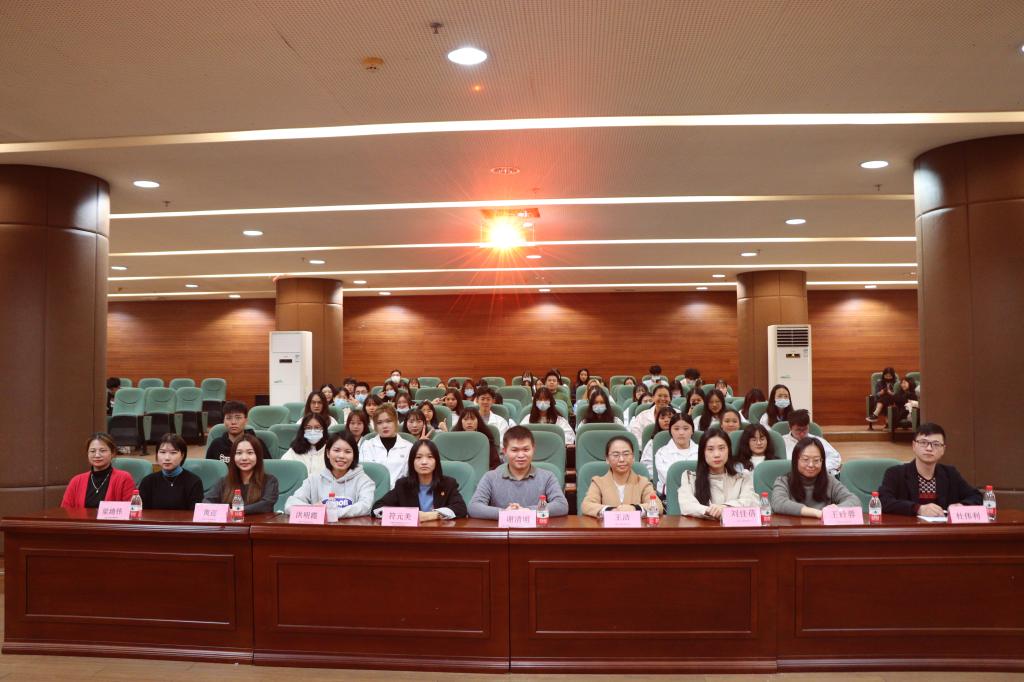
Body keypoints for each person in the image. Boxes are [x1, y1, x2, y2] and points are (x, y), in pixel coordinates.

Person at [878, 422, 982, 516]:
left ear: (943, 450)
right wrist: (918, 509)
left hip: (943, 528)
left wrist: (962, 505)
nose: (929, 448)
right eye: (923, 443)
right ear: (914, 446)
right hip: (909, 529)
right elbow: (883, 501)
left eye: (936, 444)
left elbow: (976, 496)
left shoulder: (950, 473)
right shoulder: (896, 473)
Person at [468, 426, 568, 519]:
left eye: (526, 449)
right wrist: (504, 513)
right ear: (505, 451)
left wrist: (528, 511)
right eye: (514, 450)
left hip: (536, 530)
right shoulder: (490, 477)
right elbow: (474, 507)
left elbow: (561, 505)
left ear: (533, 449)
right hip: (502, 531)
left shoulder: (547, 477)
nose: (521, 455)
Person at [284, 431, 375, 517]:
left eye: (347, 452)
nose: (341, 456)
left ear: (354, 455)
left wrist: (330, 512)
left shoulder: (364, 481)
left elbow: (365, 507)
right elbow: (290, 504)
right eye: (336, 450)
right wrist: (314, 510)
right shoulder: (313, 479)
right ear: (328, 453)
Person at [373, 439, 468, 521]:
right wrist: (408, 515)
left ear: (436, 461)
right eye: (418, 457)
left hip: (439, 532)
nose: (424, 462)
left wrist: (432, 515)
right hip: (411, 533)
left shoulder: (448, 483)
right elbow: (377, 508)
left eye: (430, 457)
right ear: (412, 462)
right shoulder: (402, 485)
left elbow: (461, 508)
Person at [677, 427, 758, 518]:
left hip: (734, 527)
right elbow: (686, 505)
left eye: (721, 448)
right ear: (702, 453)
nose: (717, 454)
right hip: (702, 526)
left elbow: (751, 502)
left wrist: (725, 507)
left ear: (728, 450)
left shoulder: (742, 477)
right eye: (710, 449)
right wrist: (712, 511)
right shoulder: (689, 478)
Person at [770, 438, 859, 518]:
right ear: (795, 460)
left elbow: (854, 500)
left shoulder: (829, 481)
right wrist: (816, 513)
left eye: (816, 460)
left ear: (822, 461)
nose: (811, 465)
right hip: (793, 529)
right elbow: (778, 503)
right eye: (805, 459)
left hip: (823, 529)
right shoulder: (783, 481)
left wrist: (837, 508)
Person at [581, 435, 663, 518]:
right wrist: (610, 510)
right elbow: (586, 505)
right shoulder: (598, 482)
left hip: (635, 526)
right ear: (607, 459)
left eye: (626, 454)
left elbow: (658, 506)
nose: (621, 459)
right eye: (616, 455)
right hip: (606, 526)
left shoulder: (642, 482)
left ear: (633, 458)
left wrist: (635, 508)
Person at [204, 434, 279, 513]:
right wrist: (223, 511)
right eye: (239, 453)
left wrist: (235, 511)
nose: (244, 458)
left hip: (258, 521)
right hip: (230, 521)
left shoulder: (270, 481)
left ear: (258, 456)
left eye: (250, 453)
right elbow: (206, 501)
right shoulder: (223, 482)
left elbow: (266, 505)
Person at [61, 433, 135, 508]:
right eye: (92, 451)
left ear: (112, 453)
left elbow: (132, 510)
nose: (97, 455)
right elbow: (65, 511)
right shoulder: (76, 481)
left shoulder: (124, 478)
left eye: (102, 451)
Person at [138, 434, 204, 510]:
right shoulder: (147, 482)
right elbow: (141, 512)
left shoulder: (194, 482)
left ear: (182, 455)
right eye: (162, 452)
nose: (167, 458)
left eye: (173, 453)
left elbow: (195, 514)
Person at [641, 413, 698, 495]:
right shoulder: (662, 453)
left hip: (699, 494)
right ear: (670, 431)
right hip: (671, 496)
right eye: (676, 429)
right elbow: (670, 478)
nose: (681, 432)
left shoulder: (702, 451)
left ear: (692, 430)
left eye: (686, 428)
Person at [359, 404, 413, 487]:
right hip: (372, 491)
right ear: (375, 426)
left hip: (399, 492)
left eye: (388, 421)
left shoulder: (409, 447)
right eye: (379, 422)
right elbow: (361, 474)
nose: (384, 426)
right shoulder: (367, 445)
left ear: (396, 422)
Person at [782, 410, 841, 475]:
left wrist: (819, 468)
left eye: (805, 429)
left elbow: (835, 458)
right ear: (790, 427)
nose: (802, 433)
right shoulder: (781, 442)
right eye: (798, 430)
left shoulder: (817, 440)